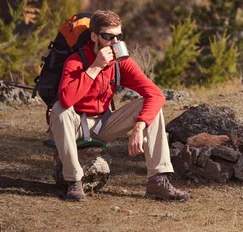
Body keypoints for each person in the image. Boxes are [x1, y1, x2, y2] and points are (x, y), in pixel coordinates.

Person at [49, 10, 190, 202]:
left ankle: (158, 181)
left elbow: (156, 94)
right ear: (94, 37)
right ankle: (74, 182)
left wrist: (140, 126)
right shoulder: (75, 61)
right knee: (59, 109)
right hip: (73, 125)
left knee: (150, 107)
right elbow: (66, 99)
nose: (115, 43)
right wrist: (96, 67)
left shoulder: (120, 63)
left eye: (119, 37)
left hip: (103, 123)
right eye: (108, 37)